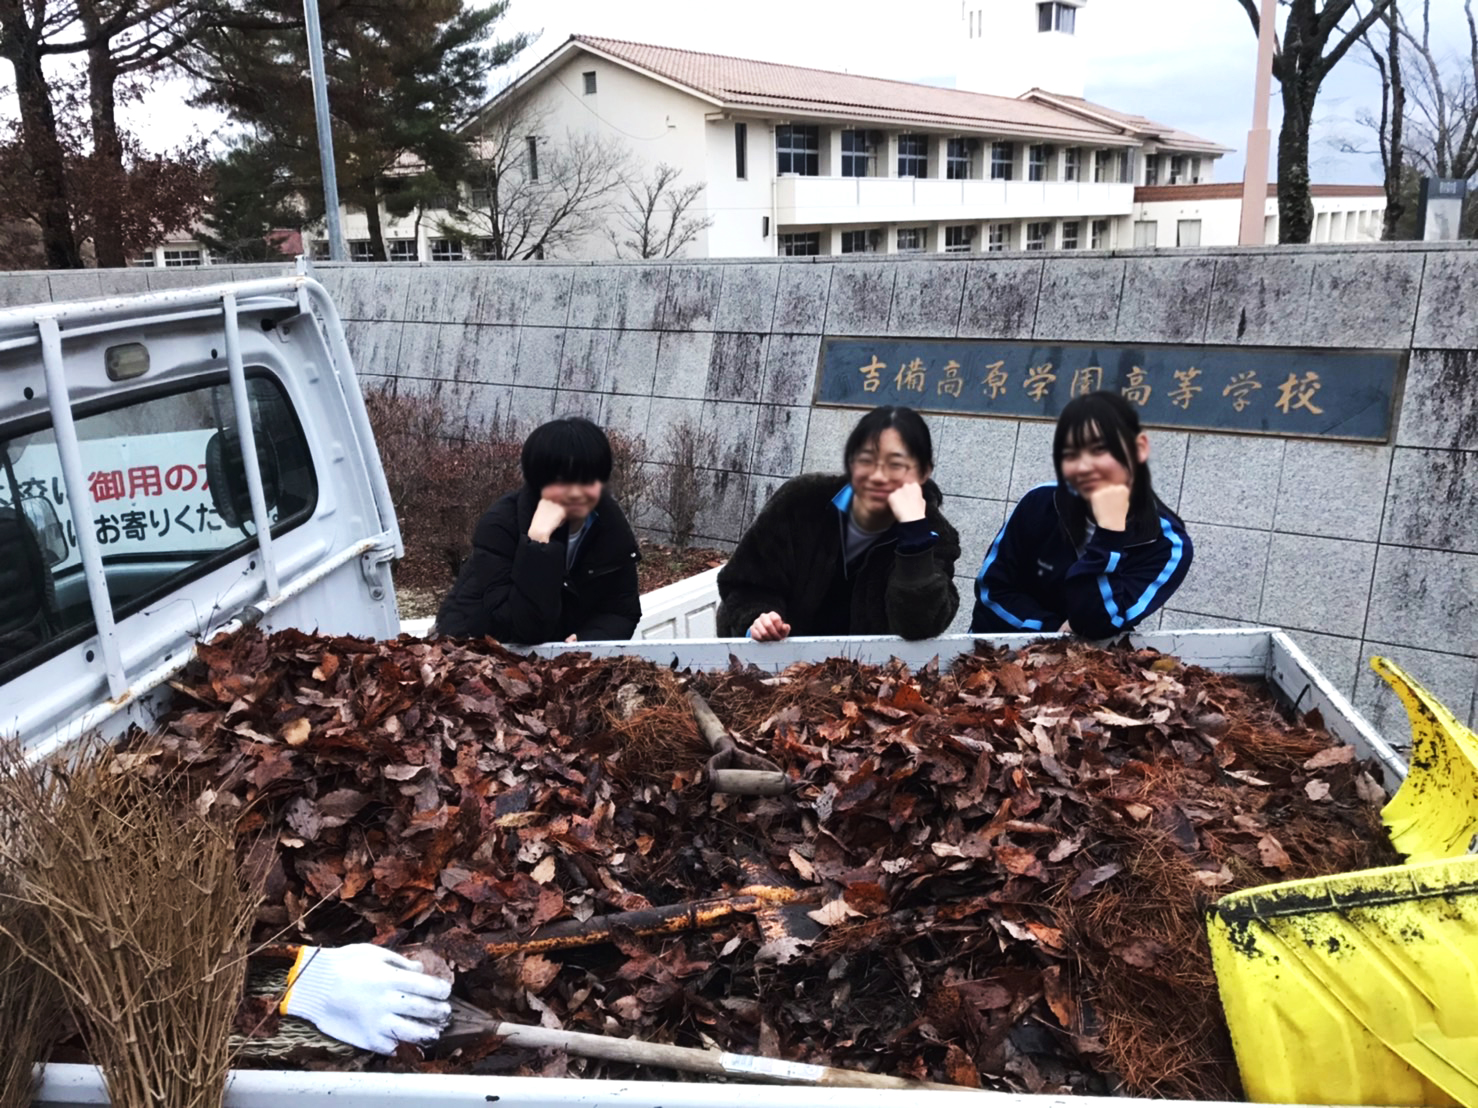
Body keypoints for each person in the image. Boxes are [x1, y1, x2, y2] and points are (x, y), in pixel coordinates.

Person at [716, 405, 960, 641]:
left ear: (923, 472)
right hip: (782, 668)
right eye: (866, 459)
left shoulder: (934, 535)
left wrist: (915, 540)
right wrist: (758, 621)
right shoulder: (800, 502)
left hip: (870, 676)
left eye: (895, 464)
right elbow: (744, 585)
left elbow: (920, 625)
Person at [971, 391, 1192, 639]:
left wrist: (1109, 534)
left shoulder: (1166, 544)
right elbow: (993, 590)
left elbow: (1098, 623)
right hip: (991, 657)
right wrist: (1053, 631)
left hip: (1087, 671)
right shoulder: (1041, 502)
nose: (1084, 467)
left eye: (1099, 449)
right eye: (1071, 454)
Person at [436, 417, 640, 644]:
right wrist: (538, 543)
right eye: (563, 480)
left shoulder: (609, 522)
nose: (576, 491)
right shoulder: (501, 525)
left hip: (560, 658)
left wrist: (588, 639)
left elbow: (621, 610)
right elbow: (526, 629)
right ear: (539, 481)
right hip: (478, 651)